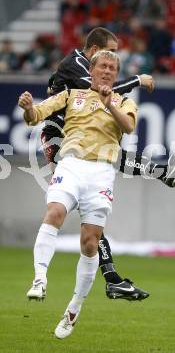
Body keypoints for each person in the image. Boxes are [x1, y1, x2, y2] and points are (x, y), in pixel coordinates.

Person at [42, 26, 175, 301]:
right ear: (95, 51)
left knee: (94, 212)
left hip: (74, 134)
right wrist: (138, 80)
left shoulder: (77, 64)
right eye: (109, 51)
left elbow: (101, 95)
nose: (113, 58)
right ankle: (163, 174)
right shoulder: (76, 63)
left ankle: (113, 279)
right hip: (59, 138)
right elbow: (100, 93)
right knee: (92, 198)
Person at [18, 50, 138, 339]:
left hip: (101, 173)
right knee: (55, 212)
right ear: (92, 70)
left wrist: (110, 104)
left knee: (89, 244)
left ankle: (74, 309)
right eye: (103, 66)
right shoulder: (72, 94)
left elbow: (129, 126)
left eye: (113, 68)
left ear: (116, 73)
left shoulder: (123, 101)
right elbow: (36, 116)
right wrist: (27, 108)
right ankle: (39, 279)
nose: (108, 71)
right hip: (71, 165)